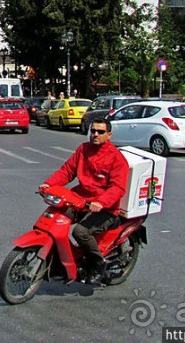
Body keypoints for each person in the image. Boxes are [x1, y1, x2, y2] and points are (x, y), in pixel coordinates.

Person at [40, 117, 129, 284]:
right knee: (55, 218)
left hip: (104, 208)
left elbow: (117, 188)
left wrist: (101, 202)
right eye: (93, 131)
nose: (95, 134)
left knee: (80, 232)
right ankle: (61, 262)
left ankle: (98, 264)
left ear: (109, 135)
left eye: (100, 132)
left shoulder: (116, 158)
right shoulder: (83, 149)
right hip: (80, 200)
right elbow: (67, 171)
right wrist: (49, 184)